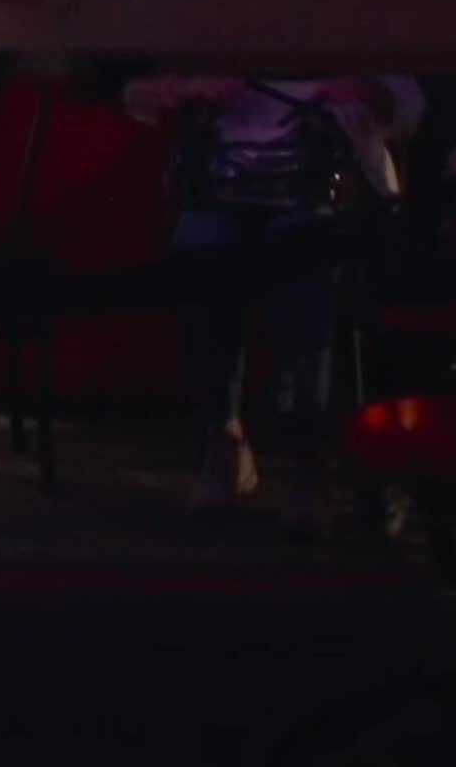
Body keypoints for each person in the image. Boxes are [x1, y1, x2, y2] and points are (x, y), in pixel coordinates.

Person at [125, 71, 424, 530]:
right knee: (199, 248)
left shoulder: (350, 30)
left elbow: (406, 110)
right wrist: (185, 89)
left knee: (302, 263)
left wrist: (363, 91)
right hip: (221, 189)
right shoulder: (211, 33)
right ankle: (222, 437)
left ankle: (308, 457)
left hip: (316, 194)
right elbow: (136, 95)